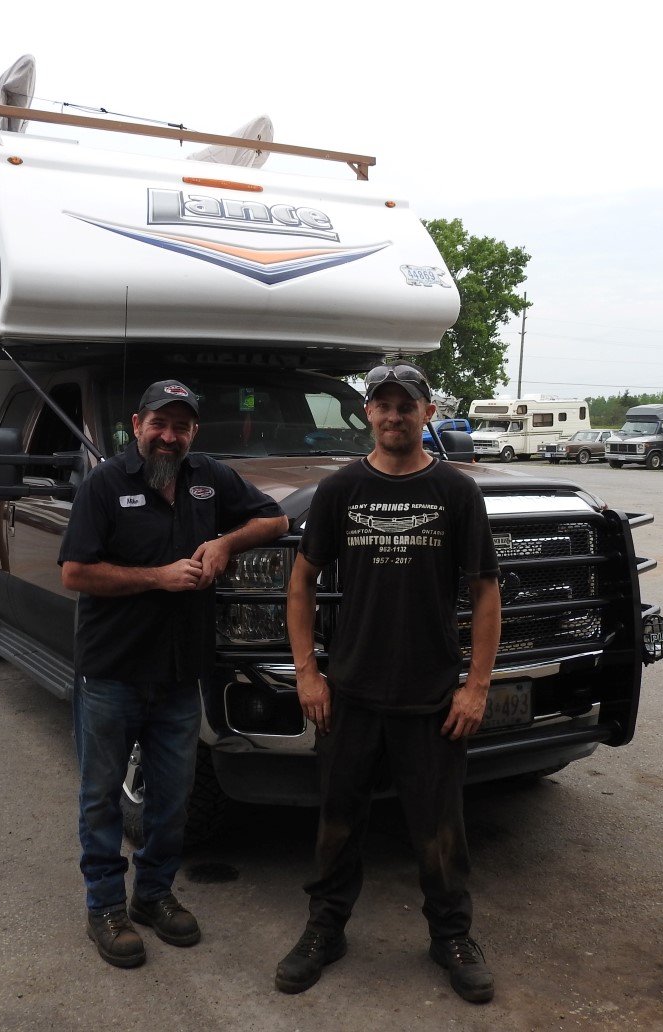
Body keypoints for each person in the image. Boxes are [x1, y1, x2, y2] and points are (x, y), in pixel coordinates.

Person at [276, 360, 502, 1004]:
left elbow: (486, 592)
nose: (395, 415)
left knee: (441, 829)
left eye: (408, 405)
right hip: (350, 694)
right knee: (338, 824)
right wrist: (309, 674)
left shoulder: (457, 492)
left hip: (433, 698)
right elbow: (302, 582)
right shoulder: (341, 489)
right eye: (384, 405)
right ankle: (325, 929)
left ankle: (451, 936)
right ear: (368, 414)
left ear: (428, 414)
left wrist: (476, 686)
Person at [59, 378, 288, 969]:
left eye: (181, 425)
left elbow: (276, 523)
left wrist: (223, 543)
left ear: (192, 433)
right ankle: (105, 905)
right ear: (136, 426)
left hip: (182, 676)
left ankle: (153, 896)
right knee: (101, 799)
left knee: (173, 800)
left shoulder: (208, 477)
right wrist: (158, 577)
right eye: (159, 423)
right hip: (112, 674)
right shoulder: (106, 484)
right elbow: (77, 573)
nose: (169, 435)